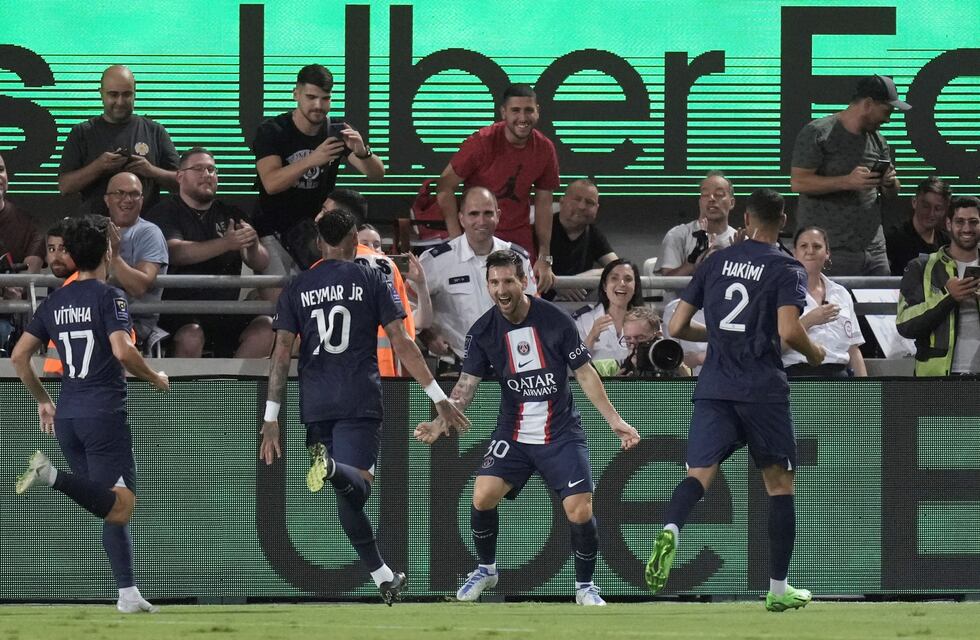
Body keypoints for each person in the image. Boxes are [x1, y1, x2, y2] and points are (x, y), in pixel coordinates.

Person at [258, 207, 469, 605]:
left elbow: (281, 353)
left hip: (315, 401)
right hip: (359, 397)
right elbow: (403, 341)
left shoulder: (297, 288)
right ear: (355, 241)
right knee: (357, 490)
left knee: (344, 499)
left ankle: (384, 577)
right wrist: (440, 398)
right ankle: (334, 468)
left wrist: (271, 419)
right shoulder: (372, 277)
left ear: (320, 243)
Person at [414, 249, 640, 606]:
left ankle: (585, 587)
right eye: (493, 282)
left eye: (508, 281)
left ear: (523, 282)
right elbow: (466, 386)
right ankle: (487, 570)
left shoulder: (555, 321)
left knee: (580, 509)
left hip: (560, 432)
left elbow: (584, 373)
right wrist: (442, 421)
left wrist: (614, 420)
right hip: (513, 434)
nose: (501, 289)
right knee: (482, 496)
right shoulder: (483, 331)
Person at [644, 189, 825, 612]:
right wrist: (815, 353)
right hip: (762, 389)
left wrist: (722, 335)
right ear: (783, 219)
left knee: (697, 475)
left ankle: (672, 526)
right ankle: (778, 591)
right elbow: (788, 329)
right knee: (780, 487)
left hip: (715, 385)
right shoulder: (786, 267)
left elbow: (676, 324)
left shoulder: (717, 262)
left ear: (745, 217)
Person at [11, 215, 169, 613]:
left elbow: (18, 356)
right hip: (103, 414)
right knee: (122, 504)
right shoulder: (108, 296)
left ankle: (127, 594)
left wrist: (42, 400)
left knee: (110, 506)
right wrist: (154, 377)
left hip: (68, 416)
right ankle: (51, 476)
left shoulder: (56, 299)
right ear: (109, 252)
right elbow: (122, 350)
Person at [253, 64, 384, 276]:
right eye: (311, 97)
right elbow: (271, 183)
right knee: (279, 299)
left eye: (325, 98)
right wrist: (312, 159)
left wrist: (363, 152)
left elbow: (377, 174)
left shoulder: (336, 130)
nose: (318, 105)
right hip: (273, 229)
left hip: (316, 233)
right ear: (296, 94)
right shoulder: (272, 131)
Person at [146, 147, 273, 358]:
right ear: (179, 176)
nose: (207, 175)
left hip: (224, 311)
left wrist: (252, 245)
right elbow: (174, 252)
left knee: (266, 328)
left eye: (211, 170)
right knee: (192, 336)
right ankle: (184, 392)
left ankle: (232, 390)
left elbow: (260, 263)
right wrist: (226, 243)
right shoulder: (165, 212)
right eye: (198, 169)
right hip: (178, 312)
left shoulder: (231, 213)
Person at [436, 84, 560, 292]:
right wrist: (457, 239)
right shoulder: (481, 143)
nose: (523, 117)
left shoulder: (545, 148)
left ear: (537, 110)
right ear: (503, 112)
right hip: (477, 235)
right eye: (515, 111)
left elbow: (544, 204)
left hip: (517, 238)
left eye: (529, 110)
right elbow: (444, 186)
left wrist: (545, 258)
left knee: (523, 303)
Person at [790, 74, 911, 276]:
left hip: (874, 250)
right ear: (868, 104)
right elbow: (799, 182)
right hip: (832, 249)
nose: (888, 119)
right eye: (886, 111)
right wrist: (846, 181)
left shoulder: (878, 140)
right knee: (834, 307)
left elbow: (892, 193)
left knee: (879, 305)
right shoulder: (819, 133)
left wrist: (890, 182)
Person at [314, 188, 426, 374]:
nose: (318, 217)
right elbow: (405, 335)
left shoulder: (318, 271)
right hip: (383, 377)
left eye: (325, 212)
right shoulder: (388, 267)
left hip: (333, 382)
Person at [418, 186, 536, 361]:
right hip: (456, 365)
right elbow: (408, 307)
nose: (481, 221)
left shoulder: (518, 259)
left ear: (498, 216)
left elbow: (534, 308)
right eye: (473, 214)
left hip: (511, 363)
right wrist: (427, 336)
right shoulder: (435, 261)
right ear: (461, 218)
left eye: (488, 213)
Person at [58, 65, 179, 215]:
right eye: (113, 95)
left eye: (127, 94)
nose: (120, 102)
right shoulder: (82, 133)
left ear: (135, 94)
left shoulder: (155, 131)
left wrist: (151, 171)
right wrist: (98, 167)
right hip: (95, 229)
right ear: (101, 94)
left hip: (146, 228)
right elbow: (65, 187)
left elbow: (182, 182)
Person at [897, 196, 980, 376]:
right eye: (960, 222)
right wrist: (947, 296)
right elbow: (905, 324)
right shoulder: (921, 267)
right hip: (937, 380)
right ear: (949, 224)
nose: (967, 228)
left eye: (973, 222)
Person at [782, 227, 867, 377]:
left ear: (827, 253)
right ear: (794, 253)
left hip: (838, 378)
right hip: (798, 376)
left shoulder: (841, 293)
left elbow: (853, 349)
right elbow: (776, 348)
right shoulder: (782, 292)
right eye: (803, 246)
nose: (810, 251)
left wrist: (866, 392)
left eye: (817, 246)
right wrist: (809, 321)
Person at [104, 172, 169, 352]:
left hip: (133, 322)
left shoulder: (149, 233)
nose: (128, 199)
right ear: (107, 200)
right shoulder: (97, 229)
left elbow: (139, 286)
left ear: (142, 200)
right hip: (96, 315)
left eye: (134, 194)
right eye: (120, 193)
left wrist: (115, 256)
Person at [657, 171, 738, 289]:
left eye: (719, 194)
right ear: (700, 202)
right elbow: (666, 285)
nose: (711, 199)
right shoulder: (678, 235)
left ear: (731, 203)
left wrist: (741, 258)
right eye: (705, 195)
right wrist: (692, 263)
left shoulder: (741, 241)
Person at [0, 152, 45, 351]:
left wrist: (10, 289)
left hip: (7, 318)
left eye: (0, 170)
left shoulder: (29, 226)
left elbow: (26, 280)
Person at [549, 178, 618, 301]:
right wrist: (558, 284)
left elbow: (618, 267)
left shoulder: (593, 233)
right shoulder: (542, 229)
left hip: (578, 310)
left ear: (596, 209)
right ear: (562, 201)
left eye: (589, 202)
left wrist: (584, 277)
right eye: (576, 200)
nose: (582, 206)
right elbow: (524, 268)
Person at [572, 259, 644, 361]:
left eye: (628, 279)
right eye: (614, 278)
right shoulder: (583, 319)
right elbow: (574, 363)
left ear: (635, 287)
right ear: (605, 286)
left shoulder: (647, 321)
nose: (622, 284)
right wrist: (592, 336)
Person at [592, 307, 690, 378]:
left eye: (640, 338)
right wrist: (612, 388)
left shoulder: (676, 367)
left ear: (658, 336)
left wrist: (674, 365)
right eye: (628, 339)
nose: (633, 345)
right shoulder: (608, 369)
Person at [886, 177, 951, 276]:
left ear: (944, 210)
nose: (931, 213)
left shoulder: (947, 243)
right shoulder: (894, 239)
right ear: (914, 202)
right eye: (926, 206)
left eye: (938, 208)